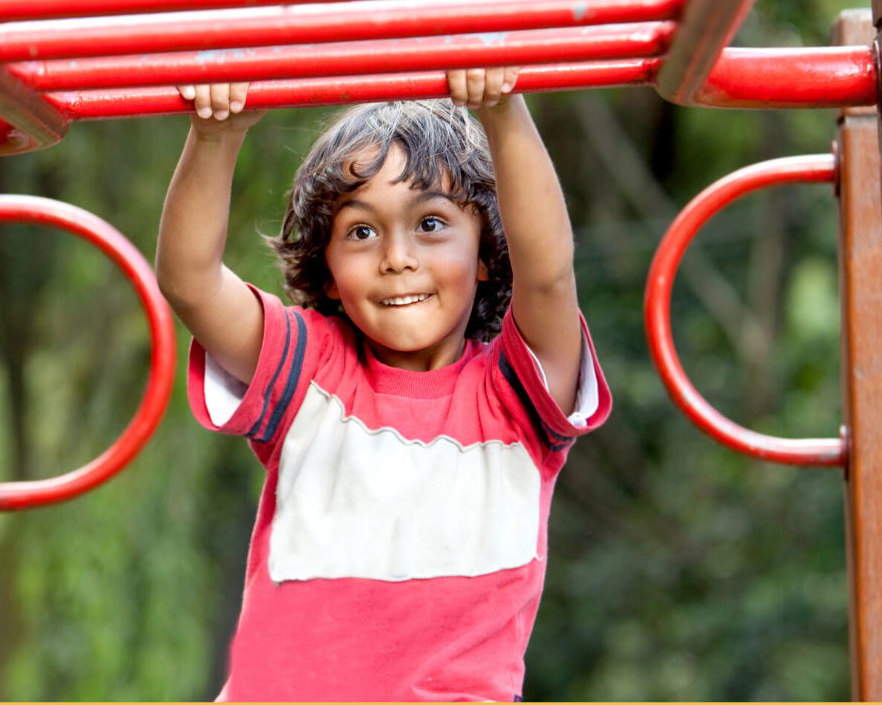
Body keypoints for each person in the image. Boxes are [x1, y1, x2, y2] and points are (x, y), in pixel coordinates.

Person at [156, 69, 612, 701]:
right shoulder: (307, 369)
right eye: (362, 232)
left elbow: (549, 277)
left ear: (484, 252)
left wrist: (504, 112)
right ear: (329, 268)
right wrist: (216, 139)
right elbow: (190, 282)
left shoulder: (514, 397)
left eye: (430, 223)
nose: (397, 257)